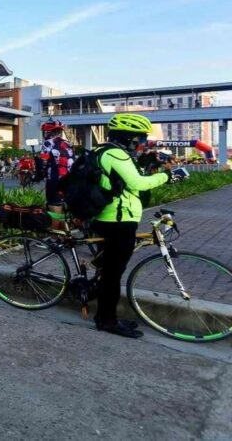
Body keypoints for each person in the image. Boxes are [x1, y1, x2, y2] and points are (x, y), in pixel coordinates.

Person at [91, 113, 179, 338]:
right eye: (138, 138)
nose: (140, 143)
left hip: (111, 219)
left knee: (108, 272)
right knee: (112, 274)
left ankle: (105, 315)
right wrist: (167, 176)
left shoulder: (106, 151)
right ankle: (107, 321)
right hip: (118, 223)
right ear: (126, 137)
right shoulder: (116, 154)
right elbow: (137, 183)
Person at [38, 120, 73, 212]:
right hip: (69, 180)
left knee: (54, 204)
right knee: (63, 204)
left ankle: (55, 226)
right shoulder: (68, 144)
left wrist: (39, 174)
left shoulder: (47, 143)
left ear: (47, 132)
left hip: (54, 179)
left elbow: (43, 161)